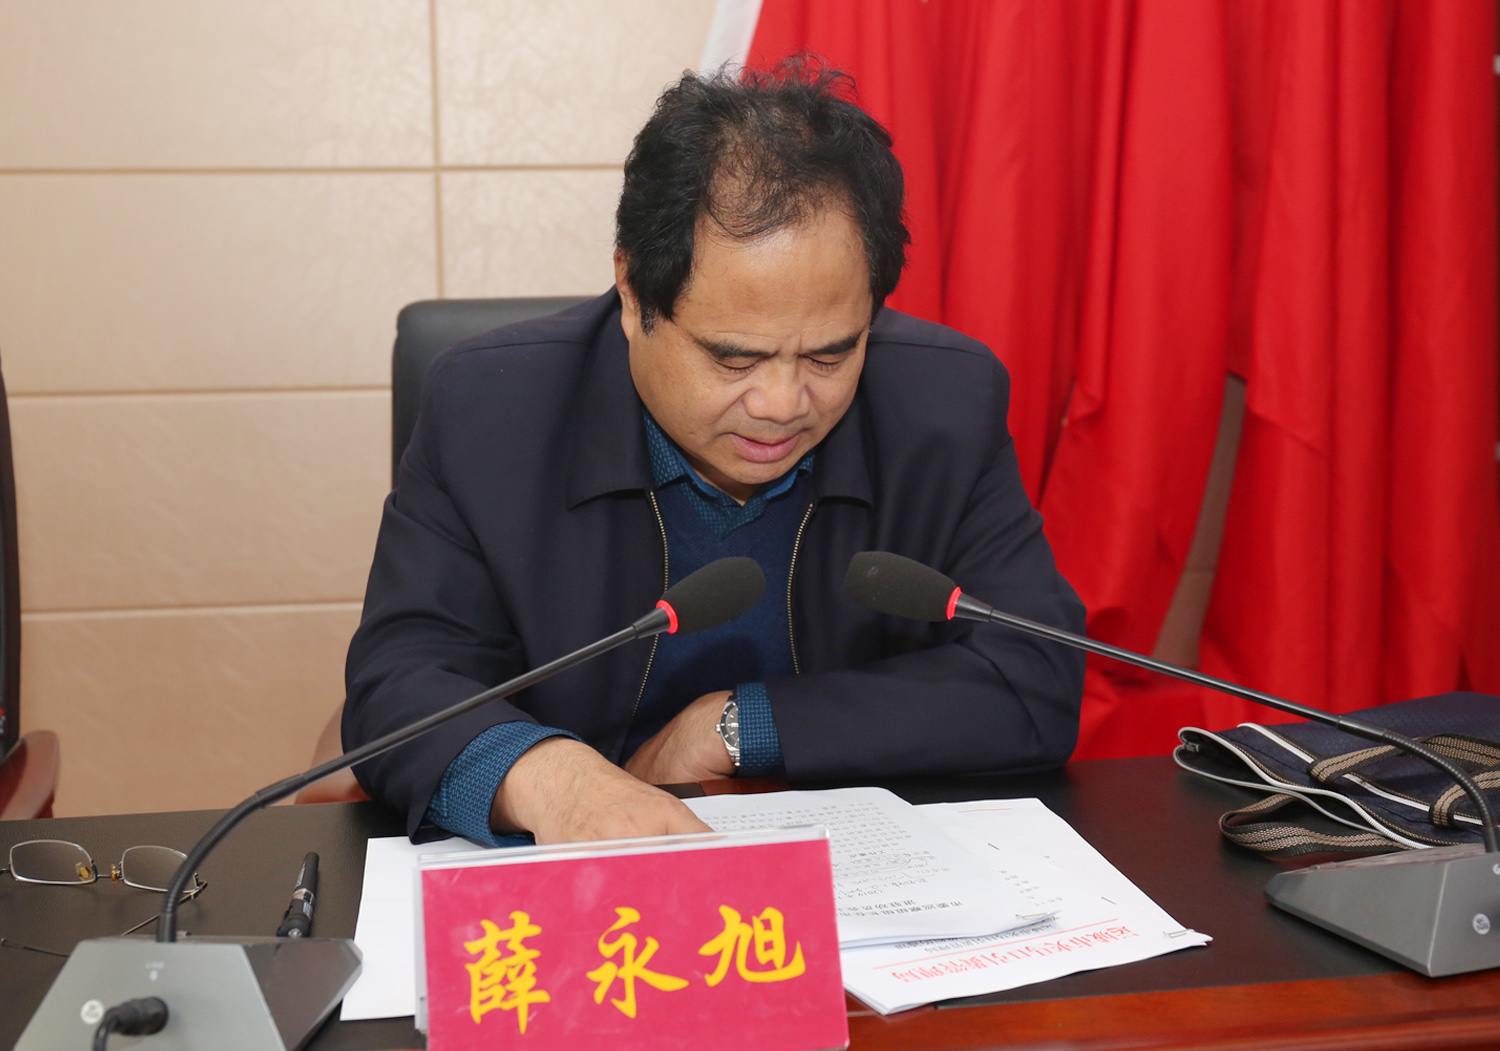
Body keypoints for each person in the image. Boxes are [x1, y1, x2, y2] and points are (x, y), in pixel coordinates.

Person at [344, 61, 1086, 846]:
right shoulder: (490, 410)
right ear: (634, 293)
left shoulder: (945, 404)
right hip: (576, 878)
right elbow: (399, 681)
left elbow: (1034, 676)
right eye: (735, 358)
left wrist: (741, 725)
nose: (783, 403)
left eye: (830, 354)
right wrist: (553, 779)